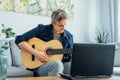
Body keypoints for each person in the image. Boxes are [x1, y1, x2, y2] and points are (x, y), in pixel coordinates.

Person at [15, 9, 73, 76]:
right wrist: (36, 53)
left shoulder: (69, 36)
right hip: (39, 66)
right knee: (57, 64)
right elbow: (19, 39)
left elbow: (69, 57)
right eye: (60, 25)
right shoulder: (41, 29)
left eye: (65, 25)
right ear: (53, 23)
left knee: (75, 66)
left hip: (60, 65)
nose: (63, 28)